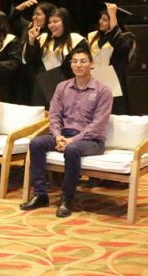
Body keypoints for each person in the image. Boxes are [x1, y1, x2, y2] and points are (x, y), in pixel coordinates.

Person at [20, 49, 112, 218]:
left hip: (92, 140)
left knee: (72, 149)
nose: (78, 65)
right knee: (36, 143)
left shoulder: (103, 90)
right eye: (75, 61)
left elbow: (98, 124)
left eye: (83, 61)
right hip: (63, 135)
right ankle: (40, 194)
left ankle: (67, 199)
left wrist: (72, 140)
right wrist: (57, 136)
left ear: (92, 64)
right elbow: (54, 115)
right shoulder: (62, 87)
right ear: (70, 65)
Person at [23, 7, 87, 107]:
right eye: (49, 22)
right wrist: (31, 40)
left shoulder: (77, 41)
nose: (51, 25)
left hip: (67, 87)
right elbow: (30, 60)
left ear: (65, 23)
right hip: (42, 88)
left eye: (56, 21)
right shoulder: (43, 39)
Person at [87, 3, 136, 115]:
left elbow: (119, 44)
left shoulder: (127, 38)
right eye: (101, 18)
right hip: (94, 81)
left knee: (114, 114)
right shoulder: (93, 36)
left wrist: (113, 15)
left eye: (105, 20)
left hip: (115, 84)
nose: (100, 21)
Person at [10, 0, 56, 104]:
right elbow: (13, 18)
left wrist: (33, 40)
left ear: (48, 16)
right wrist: (23, 5)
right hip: (25, 75)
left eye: (38, 14)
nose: (34, 17)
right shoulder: (29, 27)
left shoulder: (52, 34)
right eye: (34, 14)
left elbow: (35, 57)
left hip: (42, 76)